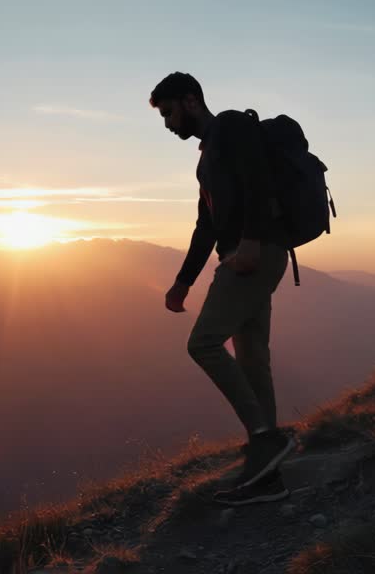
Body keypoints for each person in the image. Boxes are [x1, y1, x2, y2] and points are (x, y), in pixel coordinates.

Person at [150, 71, 296, 506]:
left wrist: (250, 241)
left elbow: (258, 180)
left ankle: (265, 439)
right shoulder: (205, 159)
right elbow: (205, 226)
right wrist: (182, 281)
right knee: (252, 359)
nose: (167, 124)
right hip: (247, 255)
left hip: (253, 254)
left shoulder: (231, 126)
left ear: (191, 101)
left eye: (169, 112)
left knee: (204, 343)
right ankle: (268, 476)